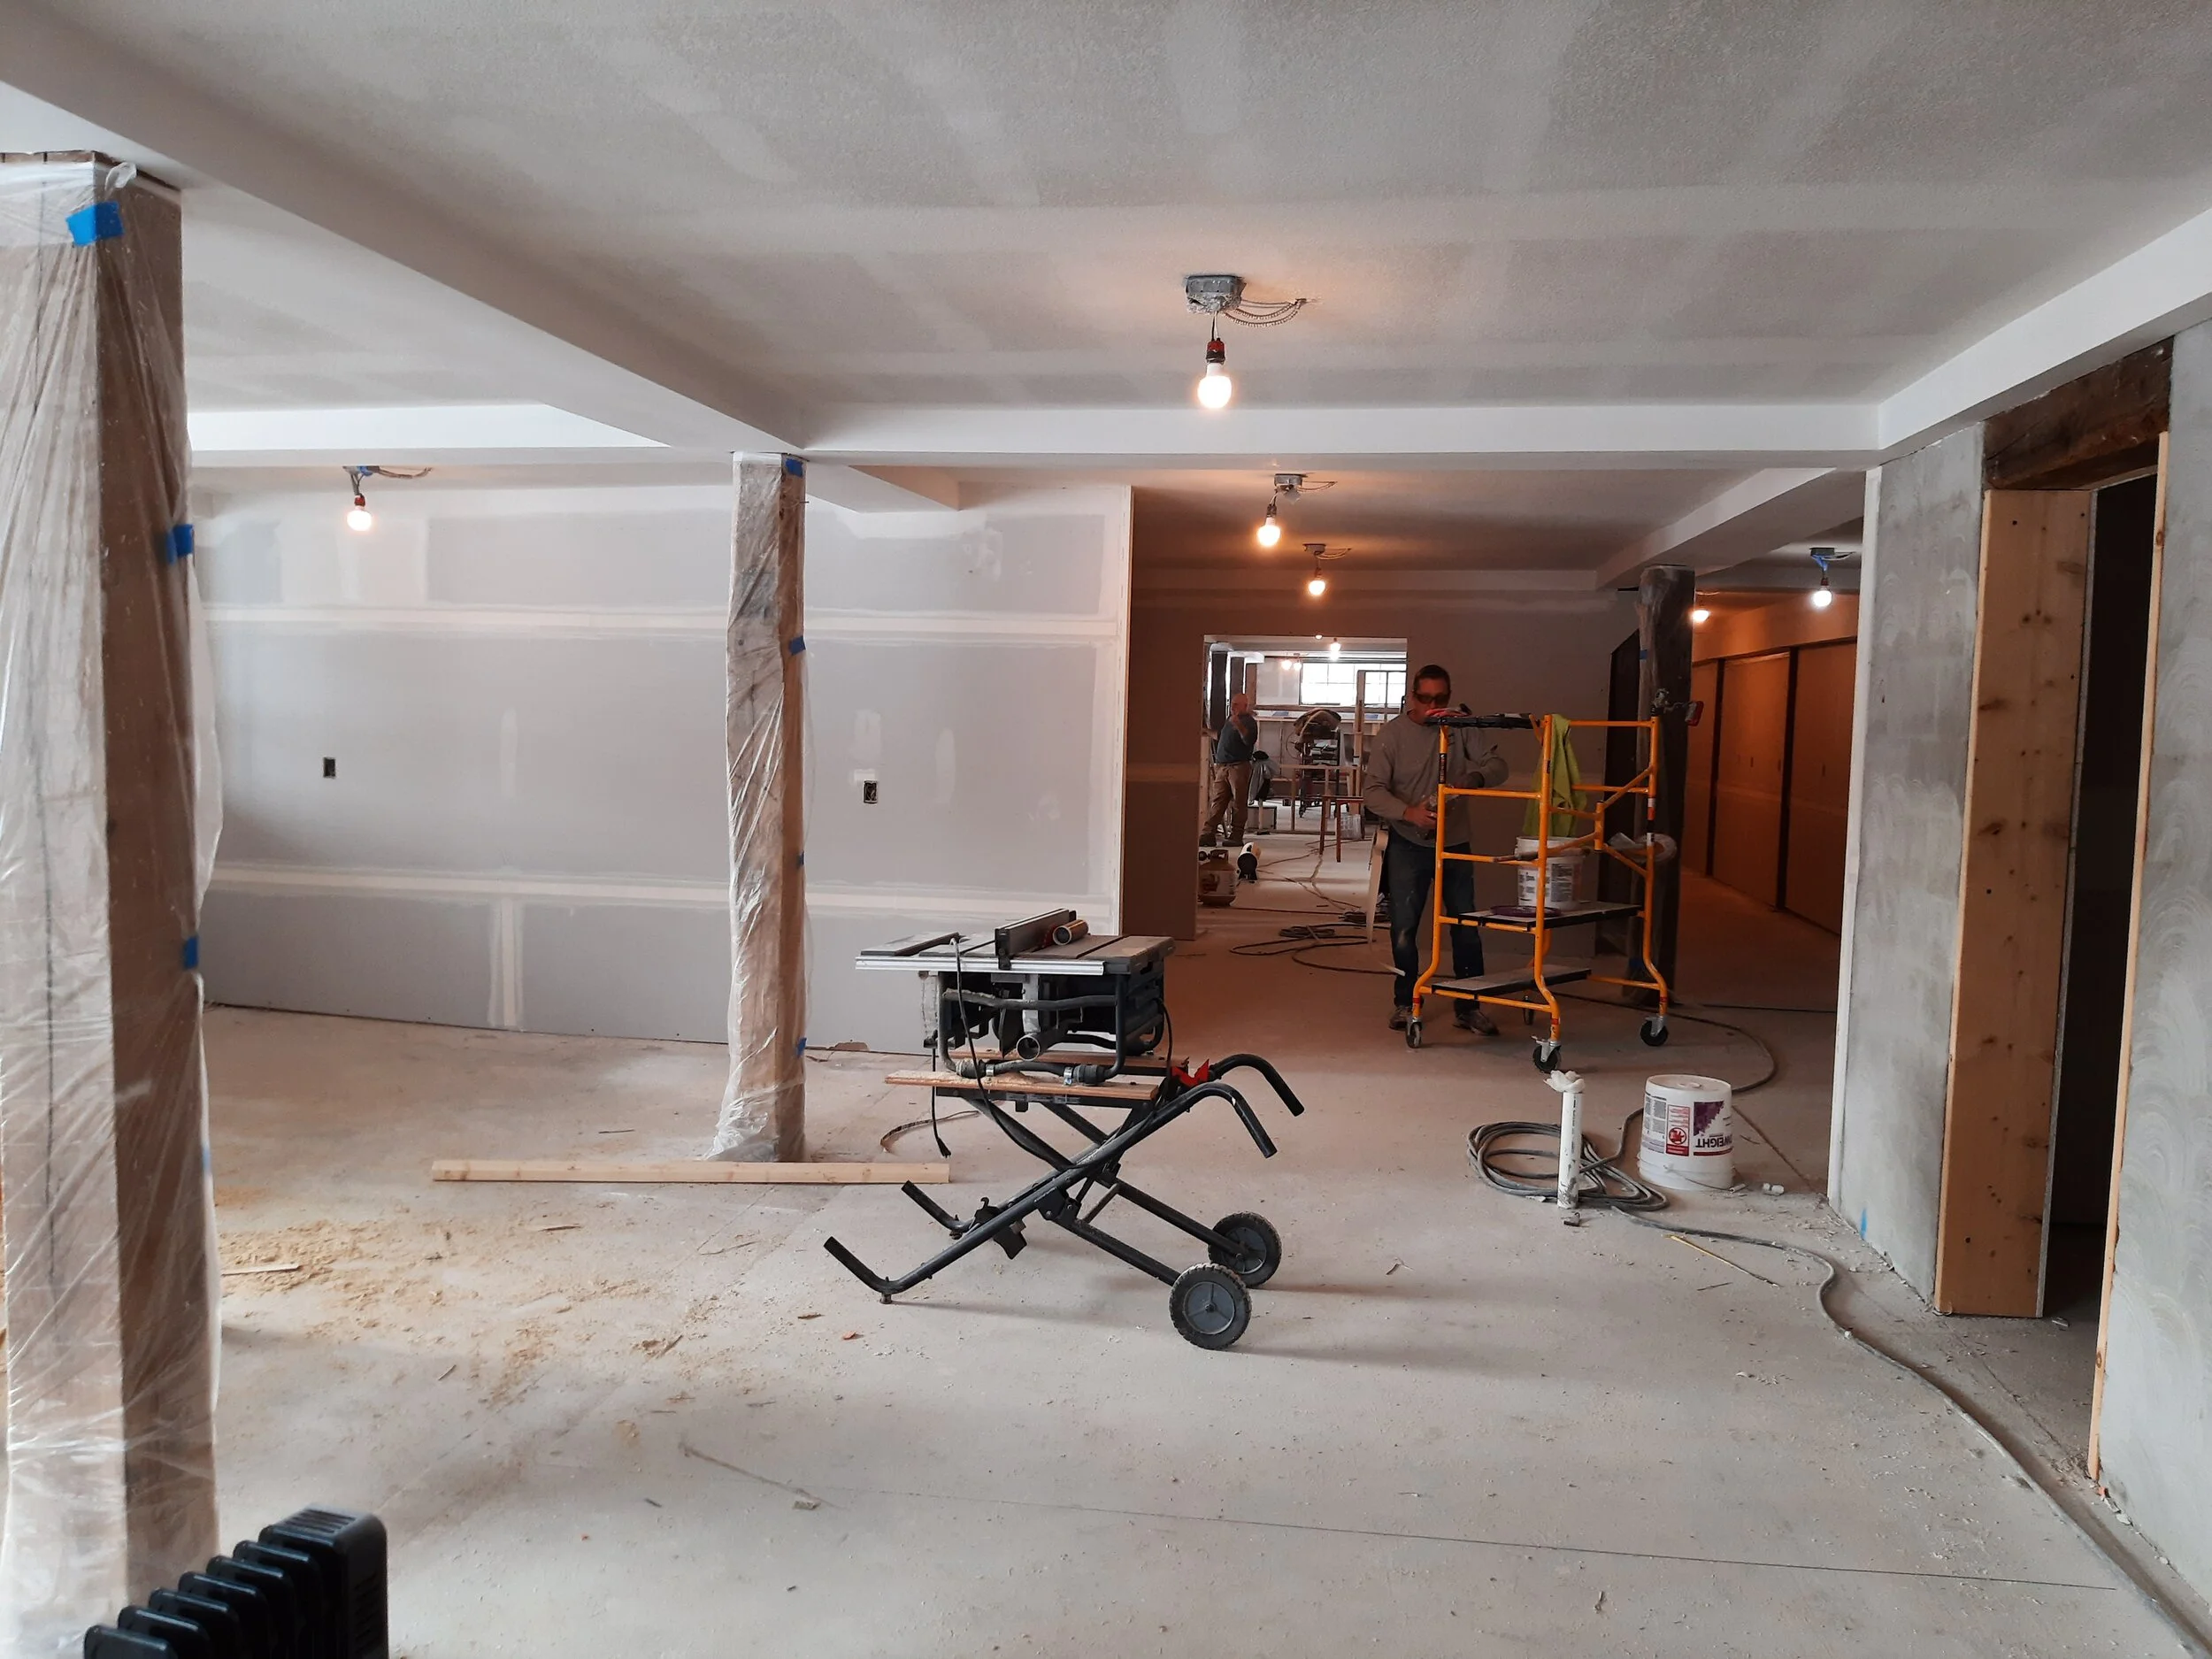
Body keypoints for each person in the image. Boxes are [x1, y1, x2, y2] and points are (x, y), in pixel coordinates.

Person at [1361, 664, 1509, 1034]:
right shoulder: (1392, 735)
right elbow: (1372, 792)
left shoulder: (1461, 727)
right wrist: (1409, 813)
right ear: (1412, 697)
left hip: (1455, 843)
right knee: (1404, 928)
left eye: (1440, 699)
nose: (1432, 707)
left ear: (1449, 697)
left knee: (1466, 926)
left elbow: (1498, 765)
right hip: (1407, 843)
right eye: (1425, 699)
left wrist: (1476, 777)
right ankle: (1406, 1002)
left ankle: (1468, 1007)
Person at [1202, 692, 1258, 844]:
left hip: (1238, 767)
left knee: (1238, 802)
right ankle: (1208, 833)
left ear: (1245, 706)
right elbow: (1221, 736)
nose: (1232, 707)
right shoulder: (1230, 720)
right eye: (1232, 704)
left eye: (1236, 705)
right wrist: (1207, 731)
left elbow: (1249, 740)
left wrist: (1238, 725)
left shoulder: (1249, 722)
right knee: (1218, 801)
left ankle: (1236, 835)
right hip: (1223, 766)